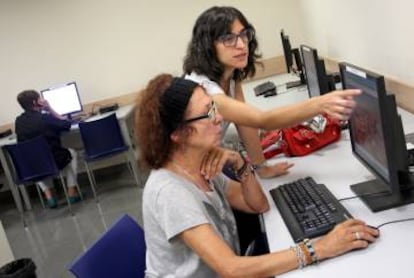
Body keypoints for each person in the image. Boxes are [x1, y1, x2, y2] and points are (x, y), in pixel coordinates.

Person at [136, 74, 379, 277]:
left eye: (214, 107)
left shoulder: (200, 165)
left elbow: (258, 205)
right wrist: (320, 248)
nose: (219, 118)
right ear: (178, 134)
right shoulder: (170, 192)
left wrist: (240, 163)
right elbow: (231, 269)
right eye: (207, 113)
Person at [183, 6, 360, 179]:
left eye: (244, 35)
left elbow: (246, 124)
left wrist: (261, 167)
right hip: (188, 173)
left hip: (208, 162)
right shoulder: (204, 90)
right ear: (207, 46)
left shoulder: (231, 74)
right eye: (229, 39)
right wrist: (320, 103)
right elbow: (263, 120)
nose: (241, 44)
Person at [15, 90, 81, 208]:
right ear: (36, 102)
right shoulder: (44, 118)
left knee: (36, 160)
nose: (43, 100)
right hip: (53, 160)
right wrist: (49, 109)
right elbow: (67, 124)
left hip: (34, 165)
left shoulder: (18, 121)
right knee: (72, 153)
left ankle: (50, 197)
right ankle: (71, 194)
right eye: (41, 99)